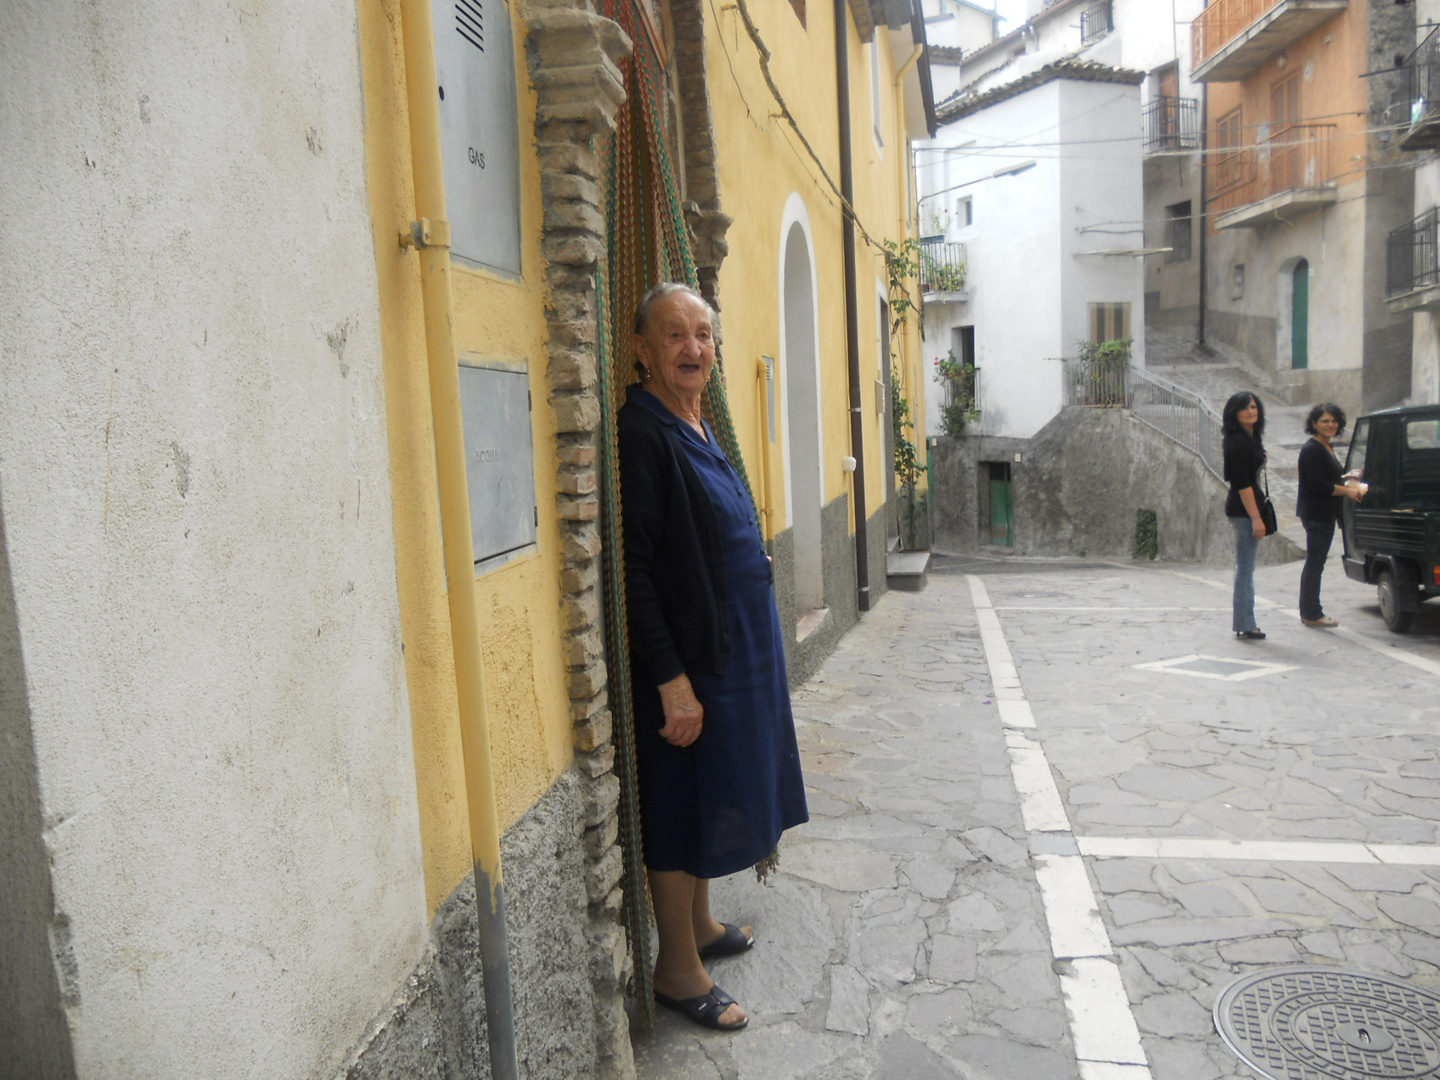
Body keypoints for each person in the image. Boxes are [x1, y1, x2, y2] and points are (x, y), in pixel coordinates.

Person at [617, 283, 808, 1033]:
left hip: (733, 655)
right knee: (678, 803)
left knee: (707, 795)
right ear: (642, 349)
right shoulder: (645, 433)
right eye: (674, 336)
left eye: (703, 335)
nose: (694, 349)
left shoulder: (695, 422)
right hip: (691, 665)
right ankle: (676, 968)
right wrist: (672, 682)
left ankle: (698, 925)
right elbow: (634, 568)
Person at [1296, 403, 1363, 627]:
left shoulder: (1326, 446)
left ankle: (1311, 611)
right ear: (1314, 424)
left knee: (1317, 562)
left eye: (1333, 421)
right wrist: (1349, 491)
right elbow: (1320, 485)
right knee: (1315, 563)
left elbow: (1330, 478)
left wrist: (1347, 478)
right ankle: (1311, 613)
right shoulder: (1312, 449)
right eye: (1325, 421)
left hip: (1325, 513)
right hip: (1316, 514)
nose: (1330, 425)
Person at [1222, 392, 1270, 640]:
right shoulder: (1238, 443)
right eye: (1244, 408)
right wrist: (1256, 518)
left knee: (1246, 567)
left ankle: (1246, 621)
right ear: (1234, 413)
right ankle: (1245, 622)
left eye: (1254, 406)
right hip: (1243, 511)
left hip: (1246, 510)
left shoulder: (1250, 438)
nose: (1251, 411)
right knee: (1245, 567)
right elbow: (1242, 484)